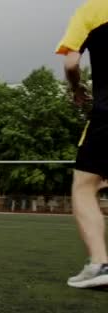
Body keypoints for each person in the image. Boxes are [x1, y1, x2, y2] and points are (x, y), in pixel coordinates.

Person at [56, 0, 108, 288]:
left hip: (106, 115)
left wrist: (77, 89)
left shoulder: (92, 10)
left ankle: (99, 263)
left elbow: (72, 62)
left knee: (84, 186)